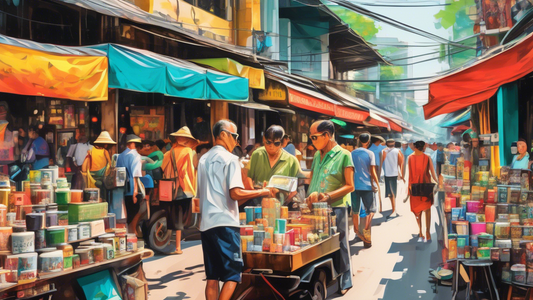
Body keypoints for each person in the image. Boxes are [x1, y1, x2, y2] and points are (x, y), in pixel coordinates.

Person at [198, 120, 276, 300]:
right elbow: (235, 193)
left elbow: (200, 194)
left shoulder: (203, 159)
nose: (236, 141)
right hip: (225, 223)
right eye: (235, 136)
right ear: (224, 134)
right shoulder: (231, 159)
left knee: (212, 278)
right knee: (233, 275)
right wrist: (263, 191)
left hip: (206, 224)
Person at [305, 120, 354, 294]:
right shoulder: (318, 155)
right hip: (316, 208)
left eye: (314, 137)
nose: (312, 141)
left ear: (326, 135)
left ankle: (346, 279)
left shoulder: (344, 155)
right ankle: (328, 277)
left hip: (337, 207)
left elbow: (350, 185)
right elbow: (313, 177)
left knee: (341, 243)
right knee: (320, 243)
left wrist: (329, 196)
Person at [242, 125, 303, 207]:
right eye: (268, 142)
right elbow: (248, 179)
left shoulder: (292, 161)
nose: (271, 146)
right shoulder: (257, 154)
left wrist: (284, 202)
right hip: (258, 204)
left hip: (281, 206)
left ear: (282, 143)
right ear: (264, 140)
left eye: (276, 143)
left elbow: (294, 190)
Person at [161, 126, 198, 255]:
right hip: (182, 187)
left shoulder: (167, 153)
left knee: (172, 215)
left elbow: (163, 169)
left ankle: (171, 243)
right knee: (180, 217)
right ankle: (177, 247)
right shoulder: (188, 151)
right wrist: (192, 188)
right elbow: (187, 172)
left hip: (168, 187)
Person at [351, 133, 380, 248]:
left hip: (354, 186)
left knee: (355, 211)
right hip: (367, 187)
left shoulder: (352, 153)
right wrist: (376, 184)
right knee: (370, 211)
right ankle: (367, 239)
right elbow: (372, 171)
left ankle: (358, 232)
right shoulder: (370, 153)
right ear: (368, 142)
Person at [407, 141, 438, 243]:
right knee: (427, 209)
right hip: (426, 186)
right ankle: (428, 232)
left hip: (414, 186)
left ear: (415, 147)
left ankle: (420, 231)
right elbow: (433, 173)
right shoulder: (427, 157)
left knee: (417, 211)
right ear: (423, 147)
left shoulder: (410, 157)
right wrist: (438, 182)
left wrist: (409, 189)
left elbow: (410, 175)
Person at [116, 134, 143, 234]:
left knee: (126, 213)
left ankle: (128, 234)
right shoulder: (135, 156)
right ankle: (132, 235)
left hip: (121, 189)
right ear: (132, 144)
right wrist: (135, 191)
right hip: (132, 188)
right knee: (134, 213)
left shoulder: (120, 156)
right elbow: (136, 174)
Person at [81, 131, 115, 200]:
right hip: (100, 174)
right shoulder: (104, 151)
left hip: (92, 175)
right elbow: (110, 162)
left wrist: (85, 173)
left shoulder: (91, 150)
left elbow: (84, 166)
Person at [381, 139, 404, 218]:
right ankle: (394, 210)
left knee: (391, 193)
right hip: (394, 174)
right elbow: (401, 163)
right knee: (393, 192)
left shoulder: (384, 151)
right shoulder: (398, 151)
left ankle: (394, 210)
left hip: (387, 174)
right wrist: (401, 175)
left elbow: (381, 161)